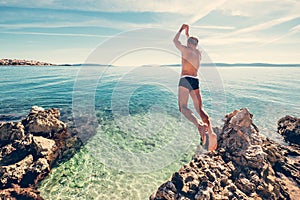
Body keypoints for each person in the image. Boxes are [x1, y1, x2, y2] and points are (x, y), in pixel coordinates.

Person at [173, 24, 217, 151]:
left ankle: (199, 125)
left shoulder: (185, 50)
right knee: (200, 109)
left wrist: (181, 29)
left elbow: (175, 41)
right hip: (195, 80)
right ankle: (211, 132)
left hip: (185, 79)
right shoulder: (198, 53)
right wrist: (188, 34)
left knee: (183, 107)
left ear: (188, 43)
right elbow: (191, 43)